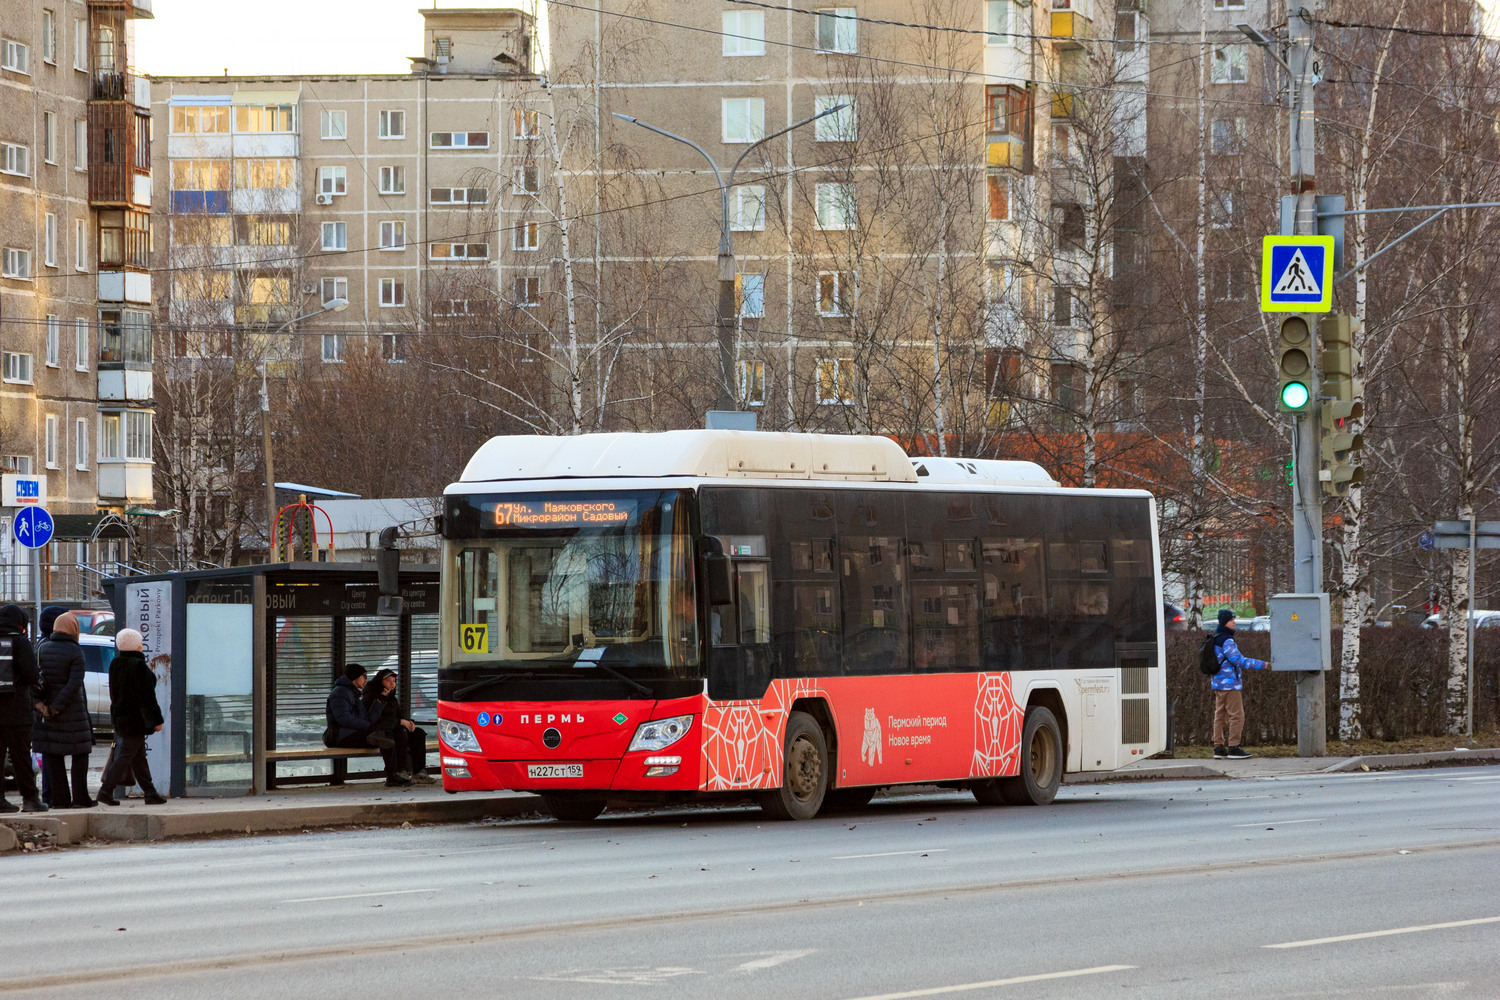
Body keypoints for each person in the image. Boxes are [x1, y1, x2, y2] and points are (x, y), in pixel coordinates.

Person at [96, 629, 165, 807]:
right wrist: (156, 719)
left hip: (121, 717)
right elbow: (147, 696)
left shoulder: (115, 663)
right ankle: (105, 791)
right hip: (135, 720)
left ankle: (150, 793)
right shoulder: (138, 665)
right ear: (137, 645)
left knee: (138, 757)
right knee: (125, 756)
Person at [32, 612, 94, 808]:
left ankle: (60, 800)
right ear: (73, 629)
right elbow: (74, 683)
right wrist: (58, 706)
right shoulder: (75, 651)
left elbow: (33, 680)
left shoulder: (42, 649)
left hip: (46, 713)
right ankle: (80, 799)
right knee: (80, 754)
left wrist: (44, 707)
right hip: (72, 712)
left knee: (53, 756)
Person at [0, 605, 46, 813]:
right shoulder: (19, 641)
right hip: (17, 711)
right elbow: (31, 674)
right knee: (21, 757)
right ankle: (30, 799)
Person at [1209, 608, 1269, 760]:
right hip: (1230, 684)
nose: (1234, 622)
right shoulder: (1226, 640)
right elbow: (1239, 660)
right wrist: (1263, 664)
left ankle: (1218, 748)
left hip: (1218, 683)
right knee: (1237, 716)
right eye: (1231, 620)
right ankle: (1234, 748)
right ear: (1225, 622)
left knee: (1220, 716)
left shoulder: (1215, 638)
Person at [360, 668, 434, 787]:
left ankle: (419, 771)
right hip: (382, 732)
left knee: (418, 733)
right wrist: (400, 722)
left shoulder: (392, 698)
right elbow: (374, 720)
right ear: (380, 681)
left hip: (394, 728)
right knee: (400, 733)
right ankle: (400, 771)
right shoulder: (371, 696)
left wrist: (409, 722)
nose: (392, 683)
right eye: (388, 680)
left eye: (394, 681)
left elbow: (400, 714)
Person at [324, 663, 394, 753]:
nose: (366, 680)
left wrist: (381, 699)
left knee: (386, 737)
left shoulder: (353, 694)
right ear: (355, 675)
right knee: (382, 739)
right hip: (338, 736)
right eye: (364, 676)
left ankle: (396, 766)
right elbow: (344, 718)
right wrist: (368, 727)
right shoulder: (340, 692)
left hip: (351, 733)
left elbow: (367, 719)